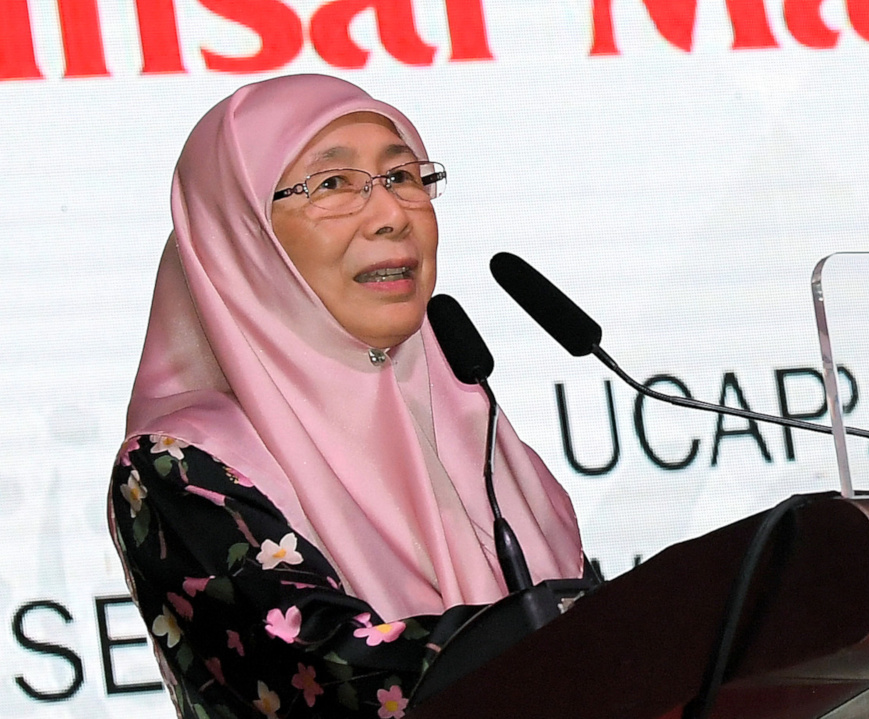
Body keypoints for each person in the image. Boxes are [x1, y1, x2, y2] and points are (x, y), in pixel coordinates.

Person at [108, 74, 586, 719]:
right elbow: (329, 676)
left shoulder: (471, 418)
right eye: (332, 185)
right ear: (240, 235)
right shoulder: (181, 464)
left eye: (404, 178)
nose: (392, 215)